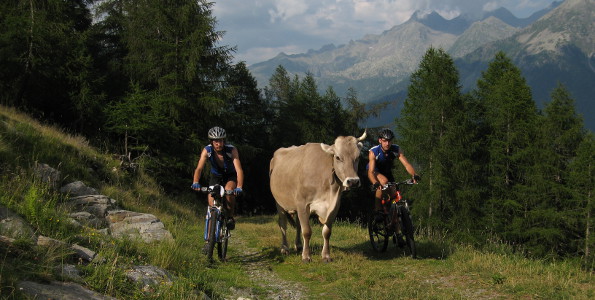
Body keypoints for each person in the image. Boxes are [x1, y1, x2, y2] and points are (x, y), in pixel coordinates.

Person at [191, 126, 244, 230]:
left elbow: (239, 170)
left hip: (230, 175)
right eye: (216, 141)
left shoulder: (231, 150)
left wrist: (239, 186)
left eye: (221, 141)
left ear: (224, 140)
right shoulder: (207, 150)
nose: (218, 144)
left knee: (229, 191)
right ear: (211, 141)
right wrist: (195, 181)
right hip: (216, 176)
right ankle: (209, 239)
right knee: (211, 204)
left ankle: (230, 217)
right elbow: (199, 168)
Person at [367, 128, 420, 218]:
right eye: (385, 141)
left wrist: (414, 175)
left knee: (393, 193)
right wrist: (375, 183)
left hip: (387, 172)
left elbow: (406, 164)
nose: (387, 144)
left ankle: (394, 223)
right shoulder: (374, 151)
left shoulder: (396, 149)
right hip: (375, 171)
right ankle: (378, 210)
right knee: (383, 181)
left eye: (389, 141)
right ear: (380, 140)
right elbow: (370, 172)